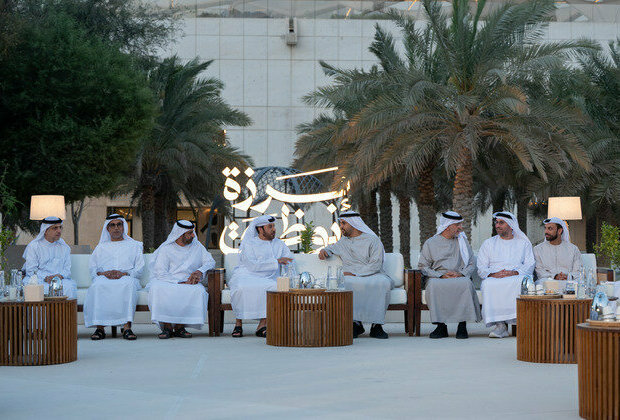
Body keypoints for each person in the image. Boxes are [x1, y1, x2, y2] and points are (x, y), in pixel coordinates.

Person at [318, 210, 393, 339]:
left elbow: (376, 264)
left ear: (354, 224)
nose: (341, 226)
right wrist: (324, 251)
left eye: (344, 223)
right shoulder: (343, 242)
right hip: (350, 277)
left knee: (383, 283)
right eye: (341, 223)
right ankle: (355, 323)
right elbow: (331, 248)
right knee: (346, 283)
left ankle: (377, 326)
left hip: (373, 274)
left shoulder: (373, 240)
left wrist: (355, 273)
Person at [228, 215, 294, 338]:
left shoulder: (279, 244)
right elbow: (252, 265)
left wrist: (286, 267)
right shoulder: (249, 244)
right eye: (270, 227)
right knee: (241, 287)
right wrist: (277, 261)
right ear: (260, 229)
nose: (273, 229)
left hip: (270, 277)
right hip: (246, 275)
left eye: (274, 226)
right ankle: (238, 324)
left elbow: (289, 259)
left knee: (275, 287)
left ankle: (262, 325)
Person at [418, 211, 481, 339]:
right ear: (448, 226)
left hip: (459, 276)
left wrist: (460, 273)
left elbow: (471, 263)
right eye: (458, 225)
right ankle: (440, 327)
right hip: (437, 277)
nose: (461, 228)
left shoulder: (462, 241)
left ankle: (462, 326)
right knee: (434, 286)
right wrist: (439, 275)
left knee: (465, 284)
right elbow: (423, 266)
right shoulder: (431, 243)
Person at [148, 220, 215, 339]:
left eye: (192, 232)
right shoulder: (166, 249)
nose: (193, 235)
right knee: (158, 288)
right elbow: (160, 272)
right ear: (180, 234)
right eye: (190, 233)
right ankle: (167, 327)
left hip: (190, 281)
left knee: (198, 291)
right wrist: (179, 282)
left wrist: (200, 271)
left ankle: (180, 327)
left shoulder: (197, 246)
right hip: (167, 280)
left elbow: (210, 262)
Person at [84, 214, 144, 341]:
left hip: (128, 277)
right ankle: (100, 328)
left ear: (123, 227)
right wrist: (103, 274)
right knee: (97, 285)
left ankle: (127, 328)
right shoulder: (101, 247)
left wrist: (124, 273)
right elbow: (93, 269)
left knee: (127, 285)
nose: (116, 228)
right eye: (112, 225)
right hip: (104, 278)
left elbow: (139, 269)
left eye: (119, 224)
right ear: (108, 228)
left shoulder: (134, 246)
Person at [477, 211, 535, 338]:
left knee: (521, 282)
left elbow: (530, 264)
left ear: (510, 225)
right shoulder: (488, 243)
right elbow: (481, 268)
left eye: (501, 223)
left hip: (517, 275)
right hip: (494, 277)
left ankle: (521, 323)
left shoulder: (523, 243)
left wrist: (515, 272)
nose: (497, 225)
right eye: (496, 223)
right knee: (488, 284)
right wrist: (493, 274)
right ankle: (500, 326)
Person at [22, 216, 77, 298]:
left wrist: (59, 276)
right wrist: (46, 277)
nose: (59, 231)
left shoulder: (64, 247)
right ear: (45, 231)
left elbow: (67, 270)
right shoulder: (34, 246)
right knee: (37, 288)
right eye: (55, 228)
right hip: (39, 280)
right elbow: (31, 270)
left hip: (59, 280)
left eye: (60, 227)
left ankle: (63, 311)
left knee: (69, 287)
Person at [534, 217, 582, 281]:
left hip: (569, 283)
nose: (546, 231)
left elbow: (578, 271)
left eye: (550, 229)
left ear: (559, 231)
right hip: (547, 283)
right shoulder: (538, 249)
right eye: (545, 228)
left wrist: (567, 277)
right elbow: (539, 271)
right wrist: (555, 276)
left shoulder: (573, 249)